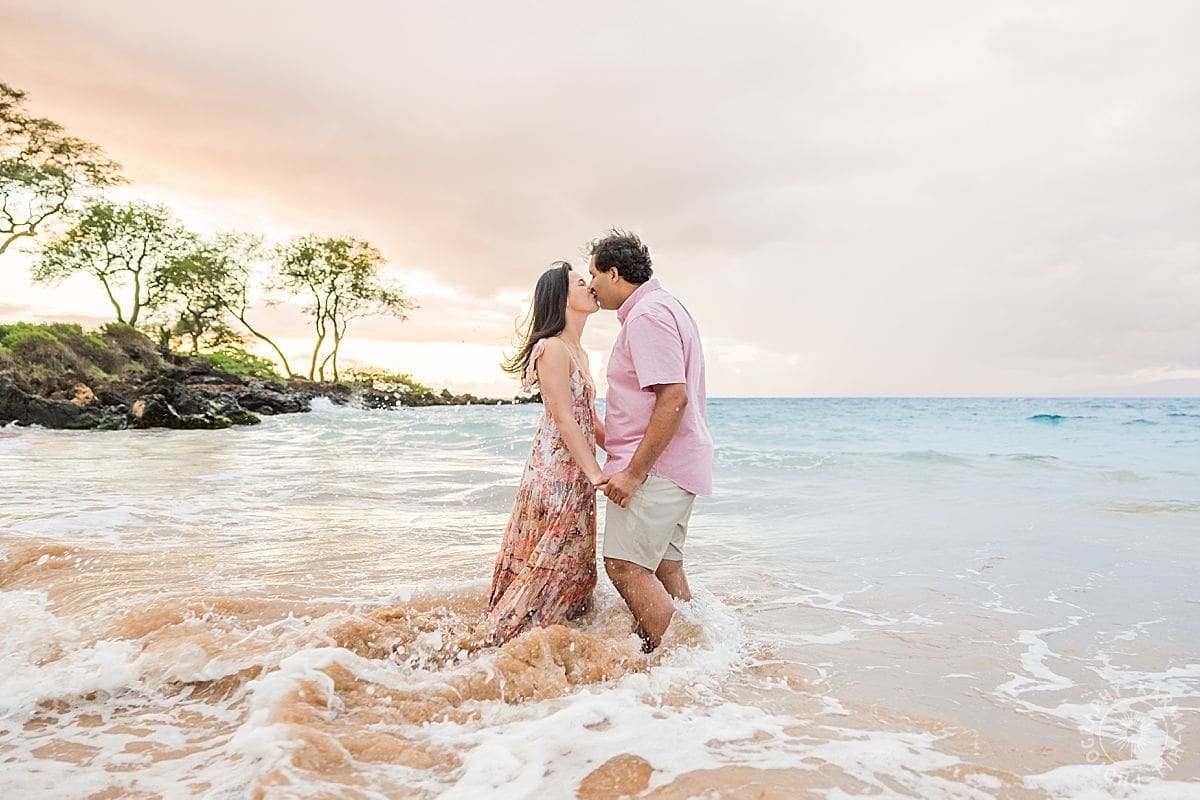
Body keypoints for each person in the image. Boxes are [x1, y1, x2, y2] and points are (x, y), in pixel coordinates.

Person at [588, 230, 713, 652]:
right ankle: (702, 659)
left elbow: (672, 396)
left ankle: (681, 662)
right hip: (677, 466)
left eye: (594, 274)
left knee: (624, 566)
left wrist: (633, 474)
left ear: (615, 273)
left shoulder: (646, 316)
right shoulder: (667, 306)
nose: (591, 285)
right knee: (665, 567)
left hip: (656, 471)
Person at [485, 261, 606, 645]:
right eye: (580, 282)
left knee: (569, 562)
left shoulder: (579, 351)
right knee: (549, 561)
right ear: (561, 297)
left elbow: (590, 420)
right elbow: (564, 417)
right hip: (557, 475)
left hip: (576, 471)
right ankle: (504, 645)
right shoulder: (553, 348)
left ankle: (555, 646)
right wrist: (596, 474)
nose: (590, 286)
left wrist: (631, 456)